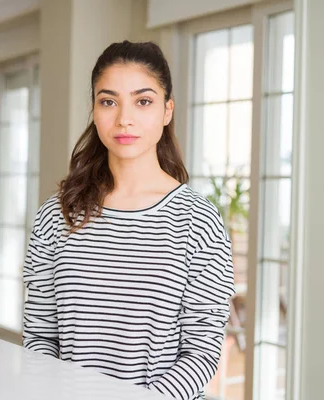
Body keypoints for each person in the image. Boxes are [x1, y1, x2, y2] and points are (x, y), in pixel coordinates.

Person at [22, 40, 236, 400]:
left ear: (167, 111)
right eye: (109, 101)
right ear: (94, 109)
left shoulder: (198, 221)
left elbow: (202, 350)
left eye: (143, 101)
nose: (124, 118)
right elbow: (40, 335)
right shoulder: (55, 215)